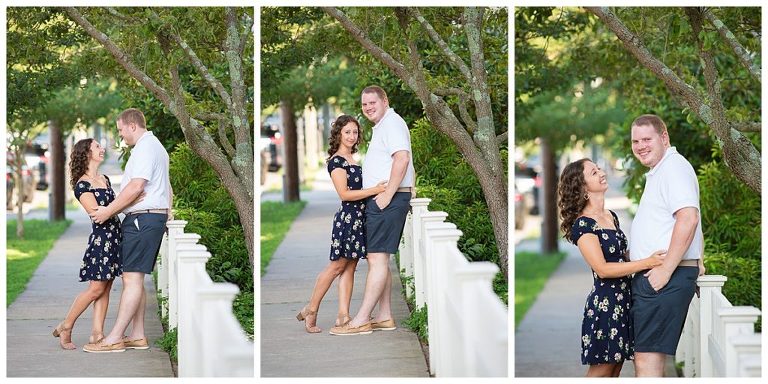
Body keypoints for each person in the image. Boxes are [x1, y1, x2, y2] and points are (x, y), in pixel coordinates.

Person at [558, 158, 667, 377]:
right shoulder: (584, 224)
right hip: (606, 305)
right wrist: (648, 262)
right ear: (582, 186)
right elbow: (603, 269)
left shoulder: (611, 217)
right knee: (602, 371)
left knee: (615, 370)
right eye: (593, 172)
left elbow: (623, 257)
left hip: (625, 301)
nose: (601, 172)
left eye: (598, 168)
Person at [83, 108, 172, 353]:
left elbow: (135, 187)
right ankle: (137, 335)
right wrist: (167, 212)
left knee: (131, 279)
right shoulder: (155, 146)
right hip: (147, 219)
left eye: (121, 129)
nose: (120, 134)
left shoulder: (145, 148)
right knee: (135, 278)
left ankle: (114, 338)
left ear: (132, 125)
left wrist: (108, 211)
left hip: (141, 221)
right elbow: (167, 185)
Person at [330, 85, 415, 336]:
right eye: (364, 104)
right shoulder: (384, 125)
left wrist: (386, 196)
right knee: (380, 259)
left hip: (387, 199)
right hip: (387, 198)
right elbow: (404, 161)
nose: (368, 107)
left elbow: (403, 158)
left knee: (377, 259)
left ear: (384, 100)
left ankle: (362, 319)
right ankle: (385, 315)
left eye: (372, 103)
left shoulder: (392, 123)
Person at [628, 114, 704, 376]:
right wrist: (699, 259)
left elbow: (689, 218)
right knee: (649, 357)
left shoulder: (673, 168)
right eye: (635, 141)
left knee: (646, 359)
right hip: (662, 276)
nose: (640, 146)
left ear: (664, 137)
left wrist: (665, 270)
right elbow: (690, 217)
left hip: (663, 278)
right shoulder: (664, 170)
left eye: (647, 139)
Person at [296, 115, 387, 333]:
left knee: (350, 267)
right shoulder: (336, 162)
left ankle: (343, 315)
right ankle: (312, 309)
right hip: (348, 220)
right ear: (338, 134)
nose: (352, 136)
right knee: (336, 266)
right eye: (347, 132)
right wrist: (375, 189)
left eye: (355, 132)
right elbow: (345, 194)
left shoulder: (354, 159)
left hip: (360, 219)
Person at [51, 138, 131, 350]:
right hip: (101, 240)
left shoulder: (104, 179)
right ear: (86, 153)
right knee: (96, 289)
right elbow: (98, 215)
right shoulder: (82, 184)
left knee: (105, 288)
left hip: (115, 238)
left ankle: (97, 334)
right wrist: (122, 202)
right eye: (97, 146)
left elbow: (113, 208)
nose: (101, 148)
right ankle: (66, 325)